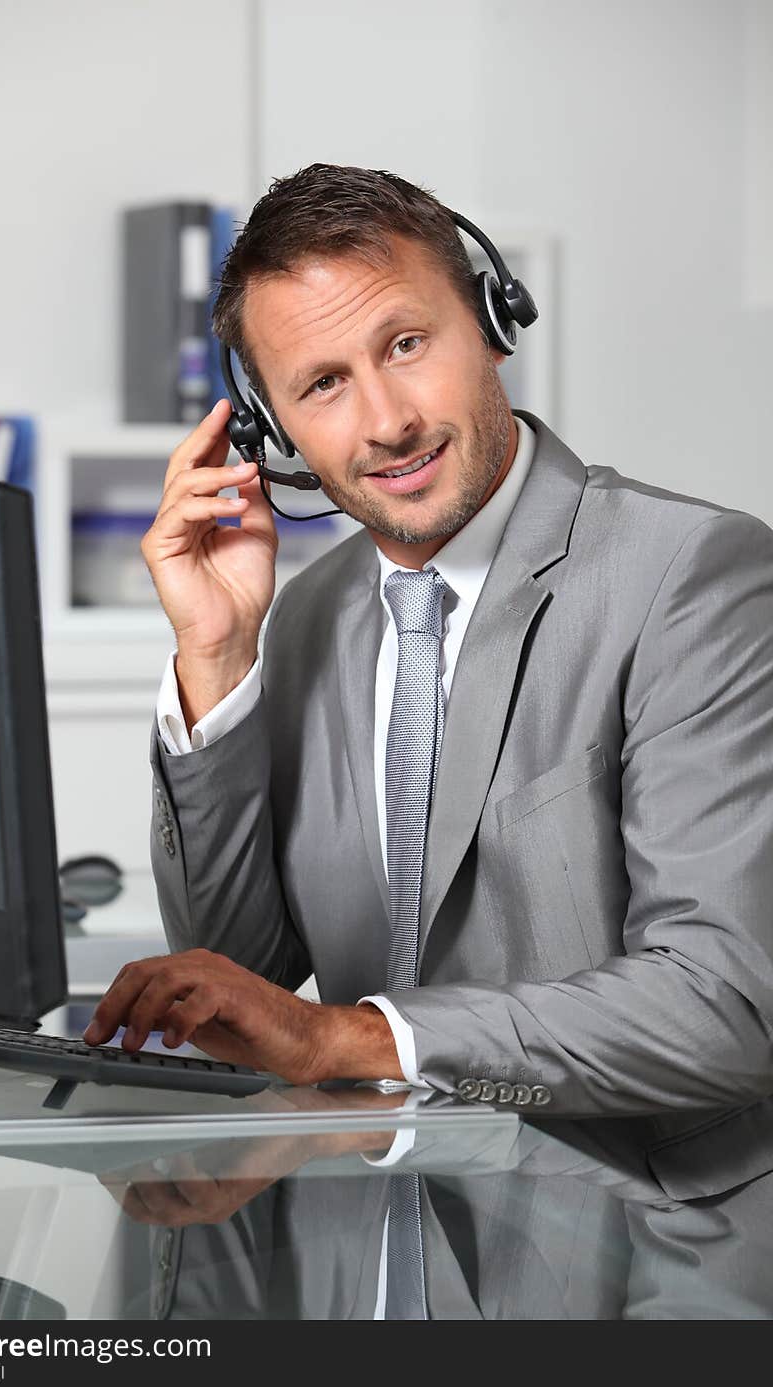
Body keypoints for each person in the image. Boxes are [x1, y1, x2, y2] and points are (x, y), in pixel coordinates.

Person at [85, 164, 773, 1175]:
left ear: (494, 321)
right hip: (382, 1240)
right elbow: (240, 984)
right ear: (271, 435)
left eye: (405, 345)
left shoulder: (690, 576)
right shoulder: (308, 619)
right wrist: (218, 653)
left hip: (644, 1255)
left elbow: (724, 1007)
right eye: (322, 384)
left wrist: (350, 1038)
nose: (386, 422)